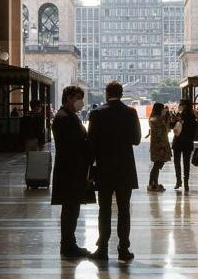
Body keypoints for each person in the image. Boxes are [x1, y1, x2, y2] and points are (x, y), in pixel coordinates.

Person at [88, 81, 141, 262]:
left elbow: (91, 143)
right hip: (125, 168)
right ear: (121, 93)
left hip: (104, 168)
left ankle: (102, 249)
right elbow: (136, 140)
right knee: (124, 209)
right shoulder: (130, 112)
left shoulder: (96, 114)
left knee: (104, 209)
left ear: (106, 93)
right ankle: (123, 249)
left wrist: (90, 168)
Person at [51, 85, 94, 259]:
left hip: (72, 168)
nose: (80, 102)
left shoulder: (69, 116)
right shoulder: (64, 118)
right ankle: (68, 245)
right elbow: (74, 144)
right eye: (77, 98)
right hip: (70, 170)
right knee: (70, 208)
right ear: (68, 98)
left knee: (72, 208)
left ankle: (69, 243)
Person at [172, 98, 197, 191]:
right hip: (182, 141)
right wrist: (174, 120)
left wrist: (181, 121)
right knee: (180, 162)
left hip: (183, 141)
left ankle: (183, 182)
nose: (180, 105)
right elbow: (172, 126)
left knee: (182, 162)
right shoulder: (181, 114)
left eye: (181, 104)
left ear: (186, 105)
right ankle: (180, 181)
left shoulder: (190, 116)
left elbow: (192, 128)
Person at [146, 102, 171, 192]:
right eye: (163, 108)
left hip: (158, 146)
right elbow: (160, 134)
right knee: (157, 165)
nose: (164, 110)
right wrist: (162, 148)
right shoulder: (157, 120)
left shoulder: (154, 119)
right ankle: (153, 184)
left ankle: (153, 183)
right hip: (160, 146)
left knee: (157, 165)